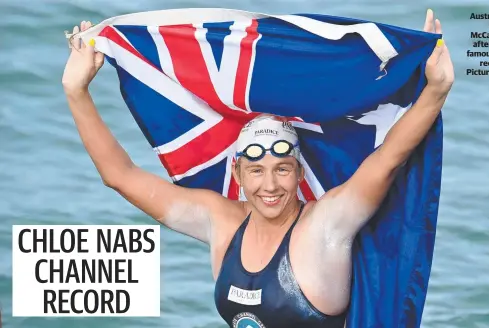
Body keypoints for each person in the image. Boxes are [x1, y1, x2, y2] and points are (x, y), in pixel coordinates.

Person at [62, 9, 453, 328]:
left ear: (300, 175)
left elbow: (386, 162)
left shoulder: (326, 225)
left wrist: (433, 91)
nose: (270, 184)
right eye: (256, 170)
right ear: (237, 175)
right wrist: (76, 92)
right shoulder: (221, 222)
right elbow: (121, 176)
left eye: (283, 169)